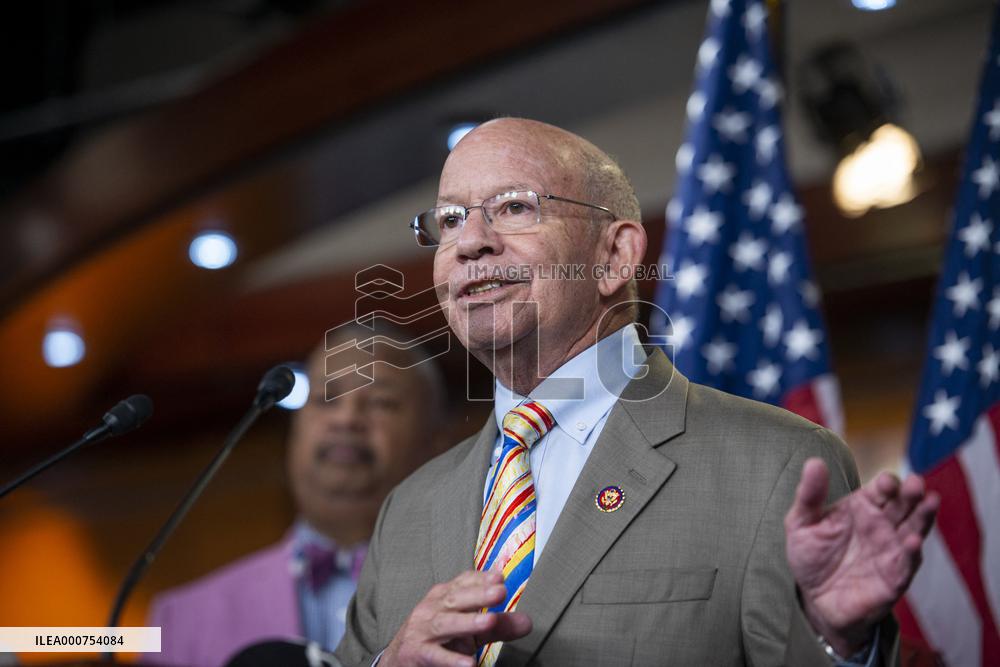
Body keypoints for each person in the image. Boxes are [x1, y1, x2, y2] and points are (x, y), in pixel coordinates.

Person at [333, 118, 939, 667]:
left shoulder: (777, 464)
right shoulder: (408, 508)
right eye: (451, 219)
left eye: (513, 208)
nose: (470, 243)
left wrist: (838, 642)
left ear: (615, 254)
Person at [147, 329, 447, 667]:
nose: (345, 419)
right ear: (294, 433)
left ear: (434, 444)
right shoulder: (180, 619)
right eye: (325, 399)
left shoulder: (468, 591)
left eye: (381, 402)